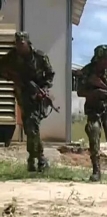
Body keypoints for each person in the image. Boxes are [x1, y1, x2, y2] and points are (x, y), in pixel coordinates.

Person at [0, 31, 55, 172]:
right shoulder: (12, 56)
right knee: (30, 126)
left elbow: (50, 74)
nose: (19, 47)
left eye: (22, 44)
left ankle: (38, 158)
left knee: (32, 126)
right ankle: (36, 158)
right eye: (17, 44)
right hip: (22, 95)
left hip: (37, 95)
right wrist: (12, 77)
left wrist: (44, 88)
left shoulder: (39, 57)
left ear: (27, 43)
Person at [76, 44, 107, 182]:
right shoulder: (87, 71)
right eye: (106, 59)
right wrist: (95, 93)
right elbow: (80, 91)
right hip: (94, 109)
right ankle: (96, 170)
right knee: (94, 133)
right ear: (99, 60)